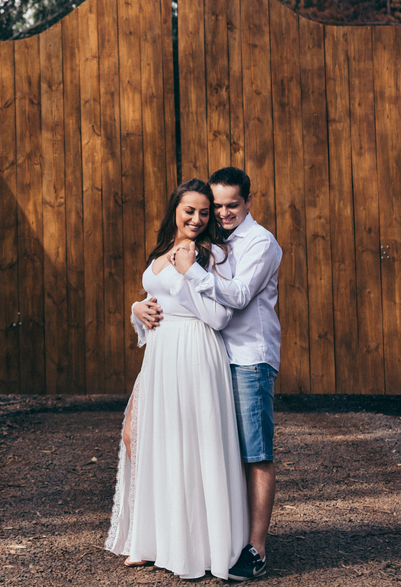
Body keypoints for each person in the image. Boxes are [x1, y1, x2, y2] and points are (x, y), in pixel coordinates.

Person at [134, 166, 282, 581]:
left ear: (248, 202)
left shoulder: (259, 243)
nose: (221, 213)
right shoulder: (214, 242)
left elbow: (237, 296)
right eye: (216, 205)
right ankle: (206, 538)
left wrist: (191, 270)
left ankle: (255, 549)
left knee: (254, 453)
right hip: (211, 357)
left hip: (248, 357)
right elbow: (168, 296)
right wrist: (137, 307)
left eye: (231, 205)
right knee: (211, 451)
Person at [104, 179, 249, 581]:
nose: (198, 219)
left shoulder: (213, 253)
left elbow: (219, 317)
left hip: (195, 351)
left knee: (190, 444)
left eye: (204, 212)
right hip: (160, 354)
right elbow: (156, 298)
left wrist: (189, 272)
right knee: (138, 435)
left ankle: (195, 546)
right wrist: (136, 308)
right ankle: (153, 538)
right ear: (175, 210)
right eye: (190, 210)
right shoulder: (162, 249)